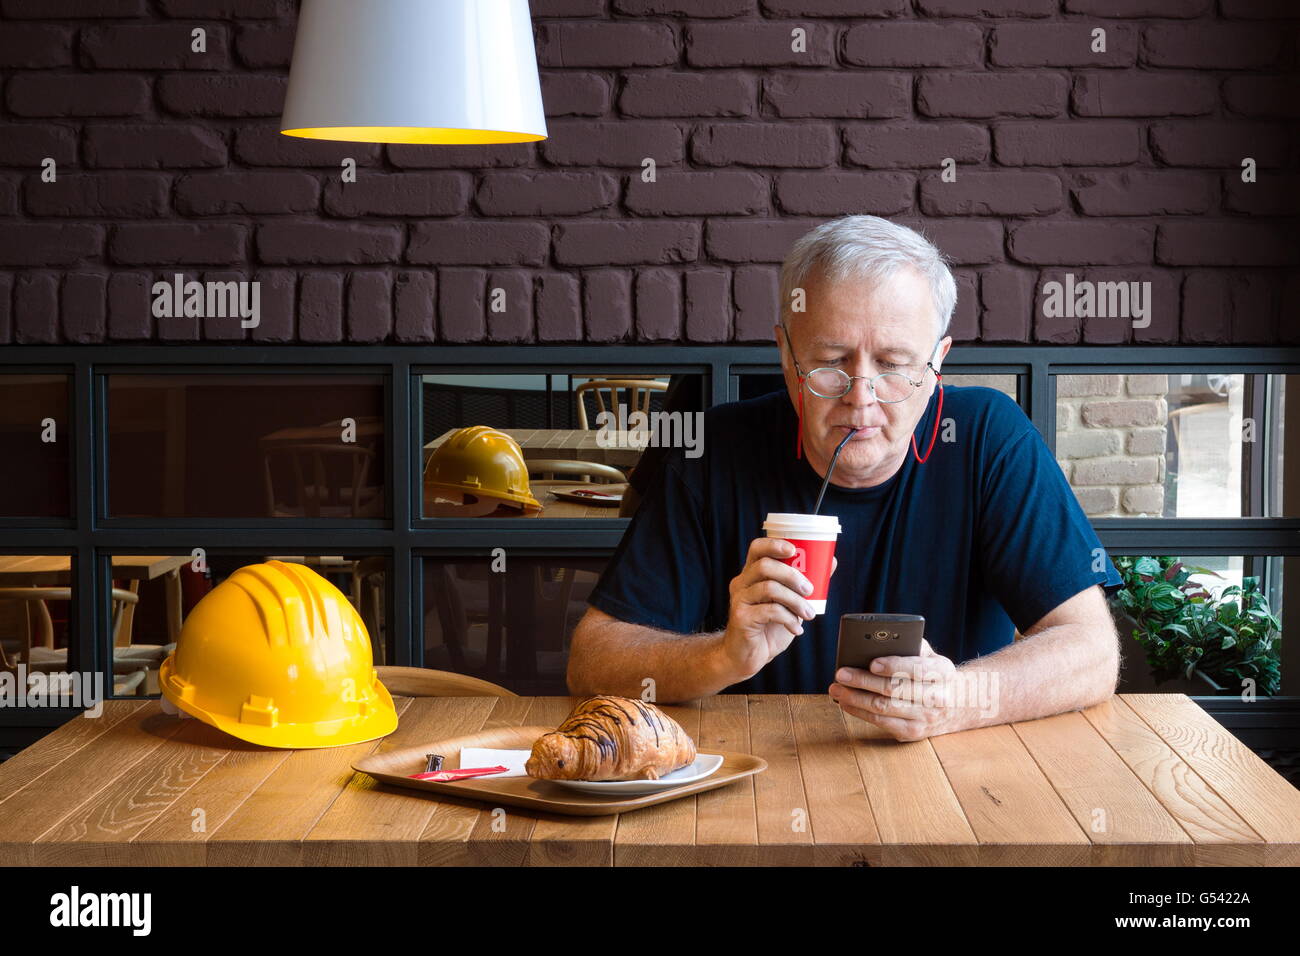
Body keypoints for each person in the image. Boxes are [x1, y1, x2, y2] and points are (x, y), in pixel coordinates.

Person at [568, 216, 1122, 741]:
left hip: (954, 786)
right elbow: (593, 659)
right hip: (754, 782)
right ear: (786, 353)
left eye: (894, 363)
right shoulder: (713, 451)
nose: (861, 396)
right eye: (832, 360)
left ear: (936, 364)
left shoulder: (988, 439)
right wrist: (722, 656)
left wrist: (961, 696)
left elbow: (1092, 650)